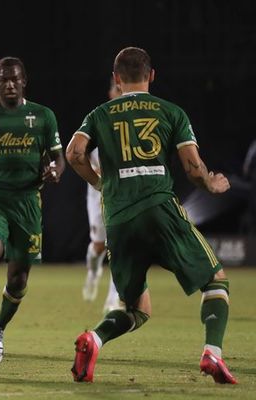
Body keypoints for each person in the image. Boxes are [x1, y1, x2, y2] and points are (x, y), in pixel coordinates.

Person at [66, 47, 236, 384]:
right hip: (159, 209)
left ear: (117, 78)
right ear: (151, 75)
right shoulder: (170, 112)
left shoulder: (99, 114)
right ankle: (212, 354)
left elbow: (74, 153)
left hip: (119, 219)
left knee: (137, 308)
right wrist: (211, 184)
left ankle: (94, 339)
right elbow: (191, 166)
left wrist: (100, 183)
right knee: (216, 281)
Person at [0, 57, 65, 339]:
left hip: (28, 202)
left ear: (24, 81)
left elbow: (58, 157)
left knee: (18, 280)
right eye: (4, 80)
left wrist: (55, 170)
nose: (10, 85)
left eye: (15, 79)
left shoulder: (43, 116)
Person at [82, 79, 122, 313]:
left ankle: (113, 298)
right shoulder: (100, 119)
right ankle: (93, 272)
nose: (118, 93)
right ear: (110, 92)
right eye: (115, 89)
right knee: (98, 245)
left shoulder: (134, 120)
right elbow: (83, 155)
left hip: (122, 192)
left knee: (118, 244)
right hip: (98, 190)